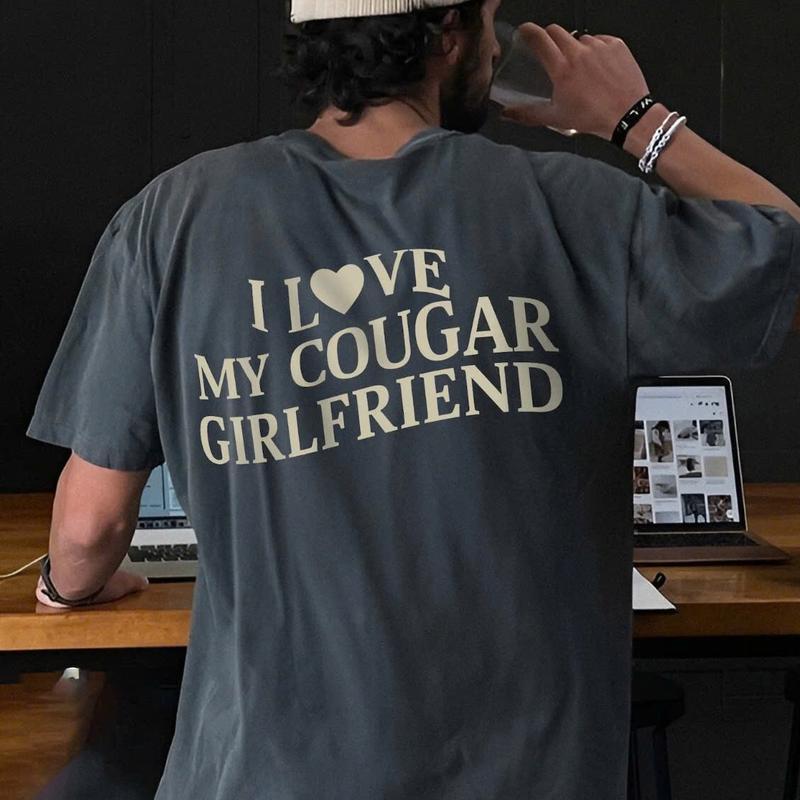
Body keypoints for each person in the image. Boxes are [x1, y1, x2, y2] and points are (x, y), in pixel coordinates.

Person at [25, 0, 800, 797]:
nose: (497, 50)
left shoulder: (172, 217)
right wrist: (634, 117)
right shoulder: (572, 208)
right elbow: (783, 253)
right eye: (491, 24)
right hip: (529, 775)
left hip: (269, 775)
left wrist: (67, 586)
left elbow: (90, 526)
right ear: (450, 36)